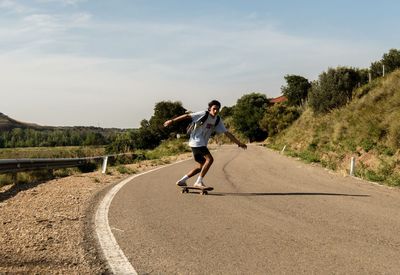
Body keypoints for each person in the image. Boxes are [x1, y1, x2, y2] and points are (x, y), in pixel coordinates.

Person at [163, 100, 247, 188]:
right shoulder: (203, 114)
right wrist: (172, 121)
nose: (216, 111)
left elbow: (227, 133)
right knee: (210, 160)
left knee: (202, 166)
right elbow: (187, 116)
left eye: (218, 109)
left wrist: (239, 143)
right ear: (210, 109)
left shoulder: (217, 119)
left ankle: (182, 180)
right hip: (197, 141)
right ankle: (198, 182)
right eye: (214, 109)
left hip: (196, 143)